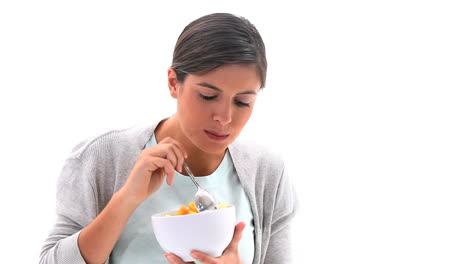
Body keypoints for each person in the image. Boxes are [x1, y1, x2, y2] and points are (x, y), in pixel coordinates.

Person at [40, 13, 297, 264]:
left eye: (243, 102)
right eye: (208, 96)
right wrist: (126, 199)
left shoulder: (266, 172)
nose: (225, 117)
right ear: (174, 83)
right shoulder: (101, 158)